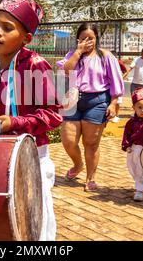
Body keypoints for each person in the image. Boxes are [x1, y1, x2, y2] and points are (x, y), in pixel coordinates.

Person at [0, 0, 62, 241]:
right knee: (7, 222)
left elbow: (53, 114)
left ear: (26, 38)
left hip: (33, 156)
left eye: (7, 27)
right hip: (0, 157)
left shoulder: (35, 65)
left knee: (36, 223)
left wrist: (15, 122)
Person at [56, 22, 124, 192]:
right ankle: (78, 165)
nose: (87, 41)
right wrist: (78, 52)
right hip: (72, 100)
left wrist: (114, 103)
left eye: (91, 38)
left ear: (96, 39)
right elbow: (66, 70)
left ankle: (90, 178)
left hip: (97, 101)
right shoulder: (72, 54)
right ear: (78, 39)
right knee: (68, 141)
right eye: (83, 38)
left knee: (91, 143)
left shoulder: (106, 56)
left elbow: (116, 81)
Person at [111, 55, 128, 123]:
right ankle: (111, 115)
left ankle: (116, 116)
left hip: (118, 84)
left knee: (118, 101)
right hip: (110, 84)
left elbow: (126, 71)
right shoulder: (107, 62)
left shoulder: (119, 63)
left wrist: (121, 79)